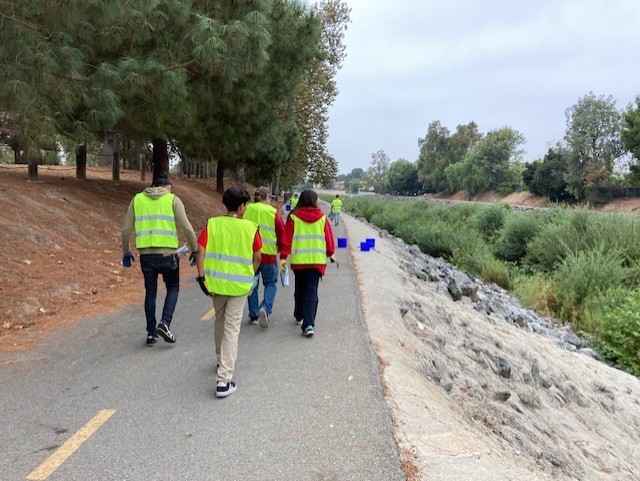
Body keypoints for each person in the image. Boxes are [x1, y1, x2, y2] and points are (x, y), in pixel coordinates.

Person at [195, 187, 262, 398]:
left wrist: (201, 277)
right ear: (242, 206)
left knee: (220, 321)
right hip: (240, 286)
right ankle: (224, 380)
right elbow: (258, 256)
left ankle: (219, 359)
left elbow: (200, 250)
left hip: (216, 284)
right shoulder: (250, 228)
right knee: (232, 328)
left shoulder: (213, 224)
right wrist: (251, 274)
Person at [122, 172, 198, 346]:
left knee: (151, 292)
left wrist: (126, 250)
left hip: (146, 256)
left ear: (153, 186)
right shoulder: (173, 200)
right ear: (168, 187)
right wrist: (194, 250)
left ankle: (151, 334)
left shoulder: (137, 199)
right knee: (173, 287)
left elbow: (126, 229)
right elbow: (187, 227)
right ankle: (164, 322)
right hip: (167, 255)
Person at [280, 189, 335, 337]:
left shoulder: (293, 218)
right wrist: (330, 254)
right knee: (312, 291)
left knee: (300, 289)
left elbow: (287, 239)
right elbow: (329, 239)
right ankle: (308, 324)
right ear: (314, 200)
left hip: (299, 261)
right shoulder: (322, 218)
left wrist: (284, 257)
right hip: (316, 261)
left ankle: (299, 314)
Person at [242, 186, 285, 328]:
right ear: (267, 198)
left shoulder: (246, 209)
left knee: (252, 284)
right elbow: (281, 233)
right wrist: (280, 249)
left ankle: (253, 315)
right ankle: (265, 308)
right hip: (268, 255)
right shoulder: (273, 213)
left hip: (250, 255)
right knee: (270, 283)